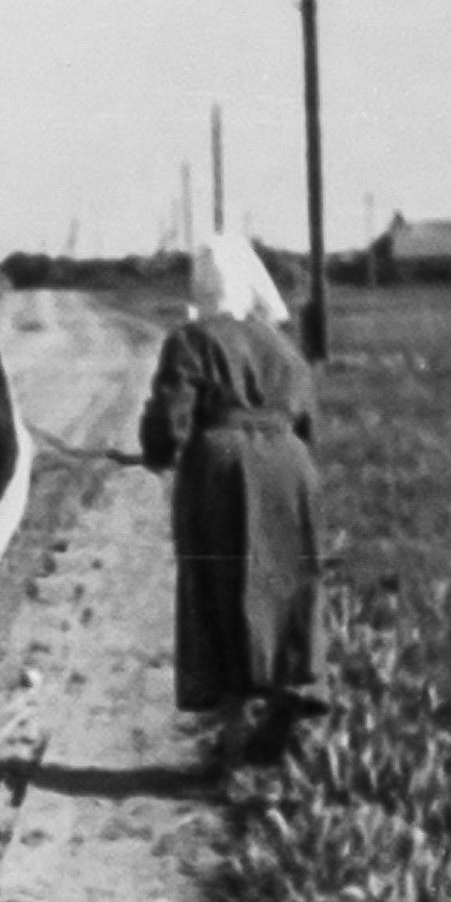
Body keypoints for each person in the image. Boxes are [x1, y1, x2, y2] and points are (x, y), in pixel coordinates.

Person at [137, 234, 326, 771]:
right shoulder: (282, 345)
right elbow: (307, 421)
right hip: (291, 468)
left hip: (223, 471)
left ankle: (236, 739)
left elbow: (172, 417)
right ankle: (289, 699)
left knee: (222, 589)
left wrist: (158, 450)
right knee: (287, 586)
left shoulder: (191, 340)